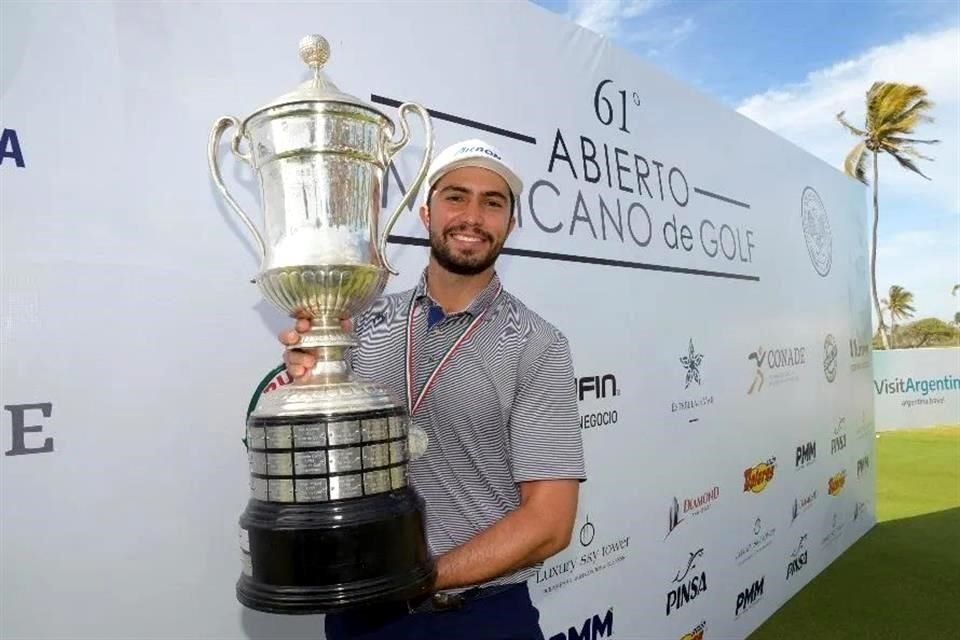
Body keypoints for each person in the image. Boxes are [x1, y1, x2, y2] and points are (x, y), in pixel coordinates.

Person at [279, 139, 586, 640]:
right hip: (360, 616)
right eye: (456, 196)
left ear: (510, 224)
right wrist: (309, 385)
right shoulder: (361, 321)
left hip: (479, 616)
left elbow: (549, 522)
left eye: (493, 202)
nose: (472, 216)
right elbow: (324, 465)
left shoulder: (537, 344)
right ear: (425, 212)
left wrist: (418, 578)